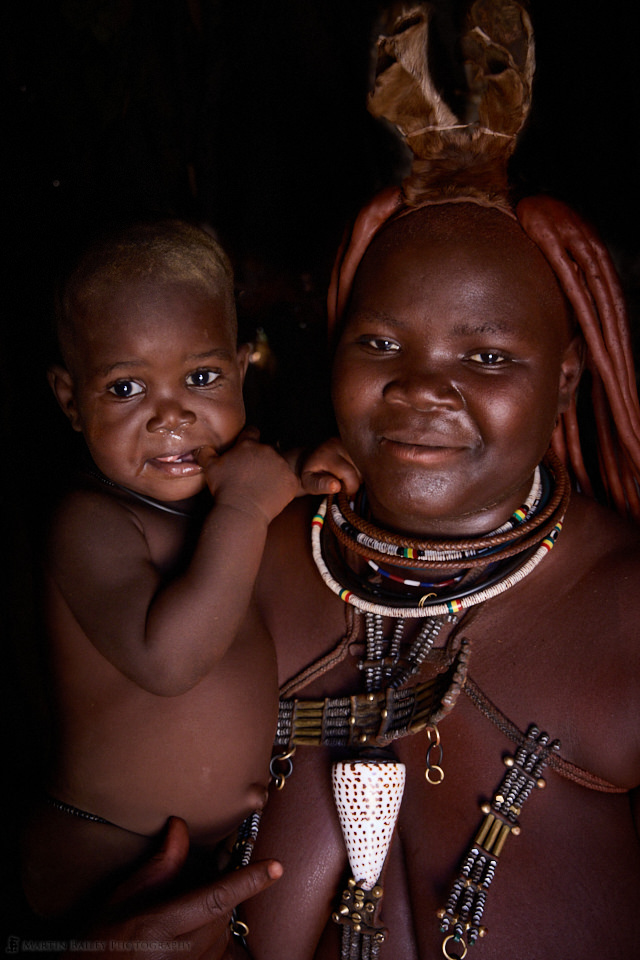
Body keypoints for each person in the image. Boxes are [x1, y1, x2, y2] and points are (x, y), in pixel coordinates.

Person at [20, 219, 356, 927]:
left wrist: (306, 472)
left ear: (241, 371)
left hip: (210, 855)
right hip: (100, 858)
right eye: (124, 388)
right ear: (68, 399)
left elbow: (266, 485)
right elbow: (170, 660)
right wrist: (245, 503)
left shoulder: (227, 494)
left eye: (201, 378)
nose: (170, 415)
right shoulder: (91, 523)